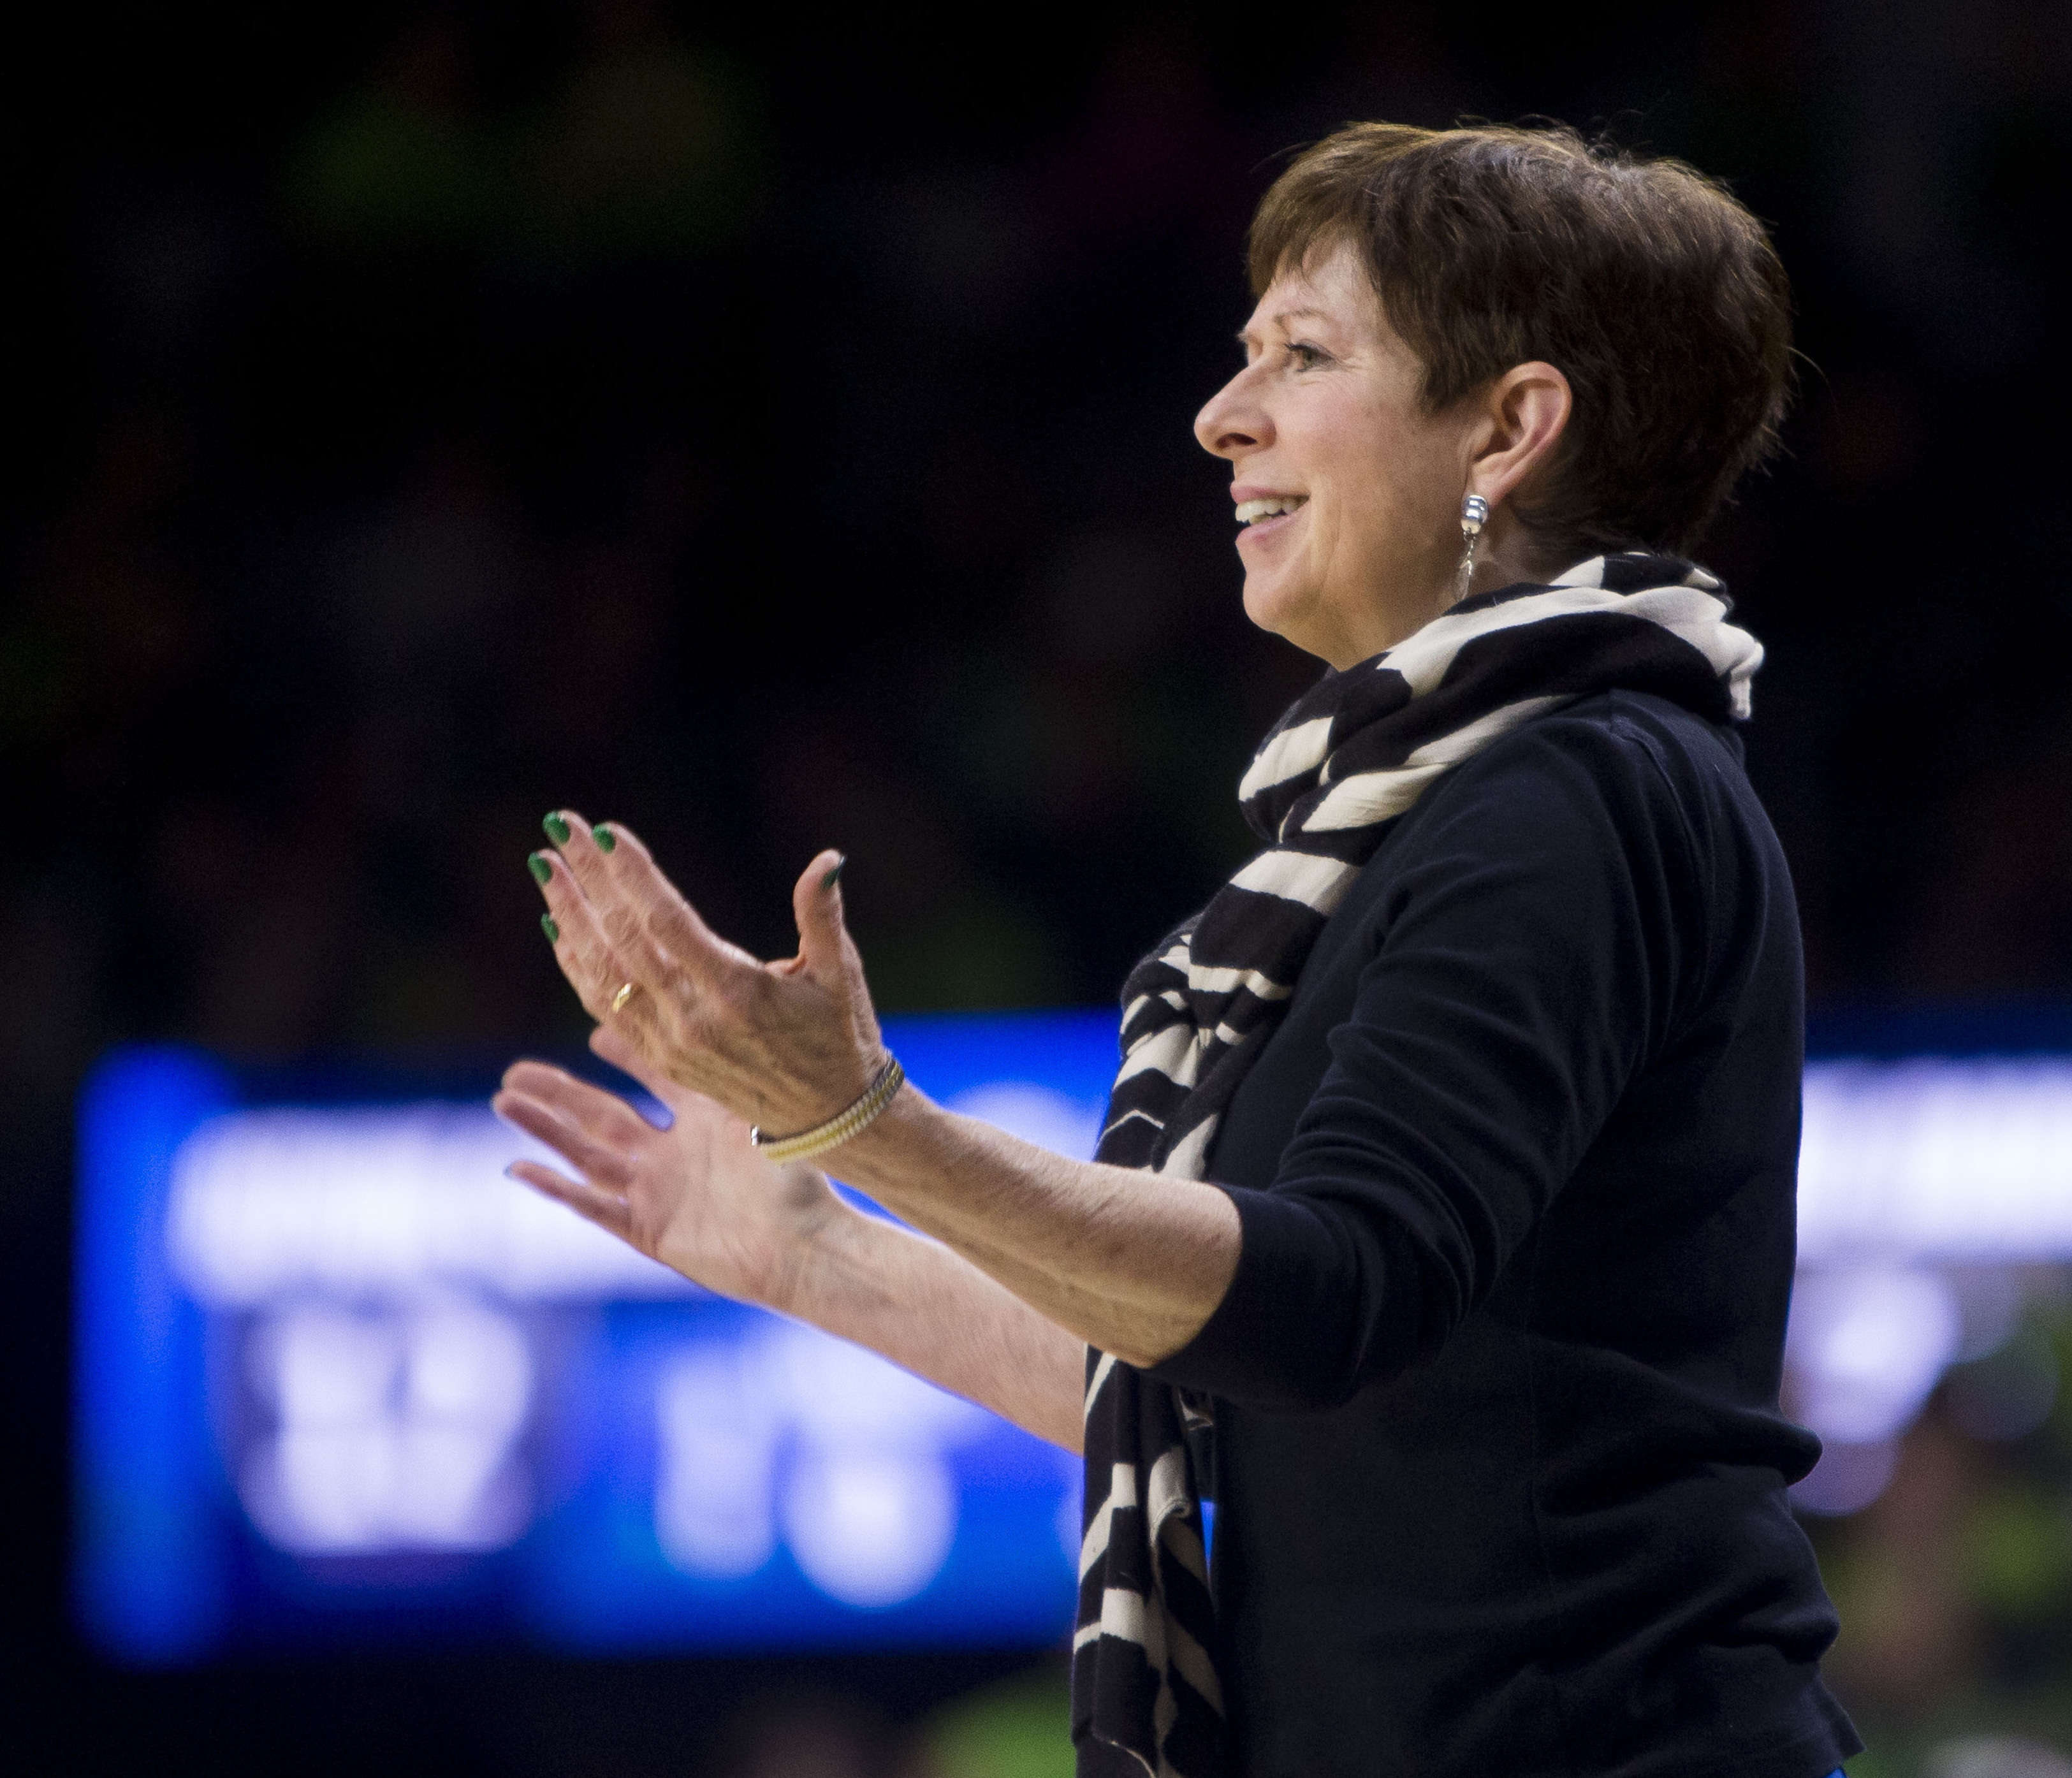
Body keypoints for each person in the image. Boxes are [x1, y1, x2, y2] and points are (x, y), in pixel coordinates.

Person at [495, 121, 1859, 1778]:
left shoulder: (1576, 790)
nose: (1223, 417)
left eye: (1301, 355)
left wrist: (868, 1124)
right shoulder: (1423, 817)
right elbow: (1256, 1419)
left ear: (1510, 427)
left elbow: (1320, 1300)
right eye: (1241, 360)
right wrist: (819, 1248)